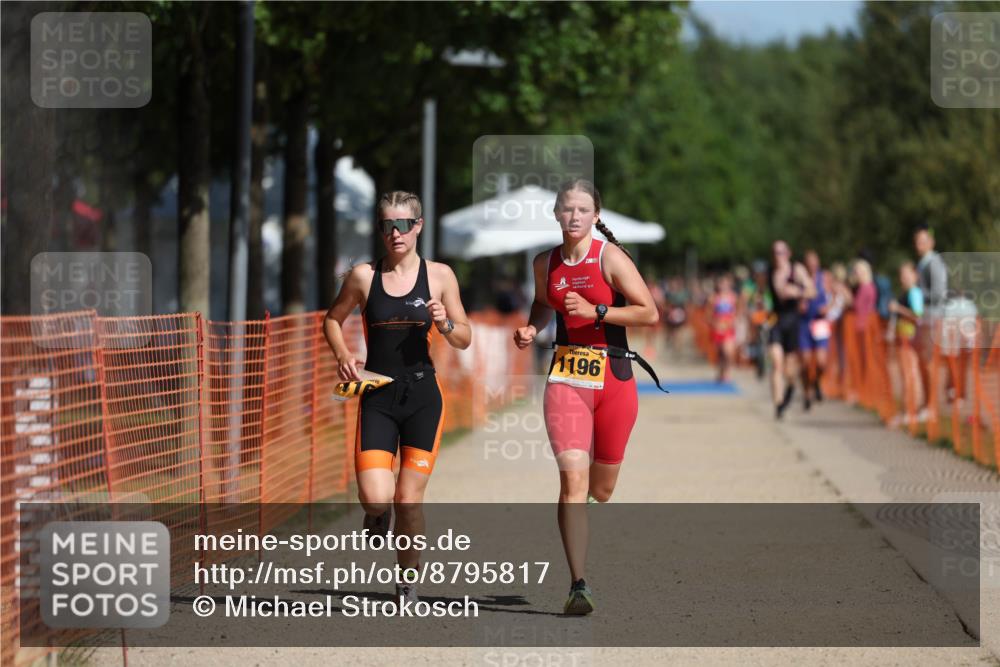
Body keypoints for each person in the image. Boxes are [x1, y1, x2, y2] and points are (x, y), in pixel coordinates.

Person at [512, 179, 660, 615]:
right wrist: (532, 328)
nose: (574, 217)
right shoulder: (545, 263)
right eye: (566, 210)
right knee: (572, 482)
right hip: (567, 377)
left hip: (614, 376)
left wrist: (598, 311)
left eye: (582, 210)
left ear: (595, 215)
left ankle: (592, 496)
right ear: (556, 215)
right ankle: (578, 583)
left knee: (602, 488)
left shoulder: (609, 258)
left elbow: (649, 312)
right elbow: (543, 304)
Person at [322, 190, 471, 604]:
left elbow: (464, 337)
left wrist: (444, 324)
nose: (395, 233)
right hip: (378, 394)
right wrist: (343, 355)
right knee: (374, 498)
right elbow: (332, 321)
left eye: (403, 224)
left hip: (424, 394)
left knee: (408, 499)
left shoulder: (440, 275)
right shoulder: (362, 277)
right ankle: (377, 514)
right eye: (387, 225)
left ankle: (407, 580)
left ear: (418, 226)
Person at [769, 240, 816, 419]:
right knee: (776, 363)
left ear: (788, 253)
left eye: (781, 252)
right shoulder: (770, 272)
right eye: (774, 252)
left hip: (793, 322)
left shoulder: (797, 270)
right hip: (776, 321)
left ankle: (790, 388)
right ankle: (778, 404)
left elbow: (813, 291)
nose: (777, 256)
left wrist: (796, 292)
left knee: (789, 371)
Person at [889, 262, 925, 426]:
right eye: (902, 275)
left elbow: (917, 316)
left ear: (914, 275)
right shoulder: (907, 292)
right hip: (903, 338)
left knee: (910, 374)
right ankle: (907, 410)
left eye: (907, 274)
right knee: (905, 374)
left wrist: (898, 309)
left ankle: (911, 411)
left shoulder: (914, 293)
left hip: (910, 339)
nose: (904, 278)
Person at [797, 250, 830, 410]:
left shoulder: (824, 278)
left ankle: (816, 381)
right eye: (808, 261)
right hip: (804, 324)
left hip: (820, 323)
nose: (811, 264)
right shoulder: (800, 280)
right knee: (805, 362)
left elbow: (836, 296)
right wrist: (800, 304)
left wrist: (828, 308)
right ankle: (807, 392)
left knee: (822, 362)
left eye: (814, 260)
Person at [849, 258, 877, 397]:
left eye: (858, 272)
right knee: (861, 359)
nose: (856, 275)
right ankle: (862, 388)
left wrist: (847, 296)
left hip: (864, 328)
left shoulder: (867, 288)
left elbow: (859, 307)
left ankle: (866, 388)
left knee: (865, 359)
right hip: (860, 327)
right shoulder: (863, 287)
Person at [710, 273, 738, 382]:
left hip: (729, 328)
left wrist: (732, 322)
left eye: (726, 283)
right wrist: (715, 323)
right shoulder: (713, 298)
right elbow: (709, 314)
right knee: (720, 352)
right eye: (721, 283)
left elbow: (736, 312)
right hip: (717, 329)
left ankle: (728, 371)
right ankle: (720, 371)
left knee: (728, 351)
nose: (723, 285)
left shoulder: (733, 297)